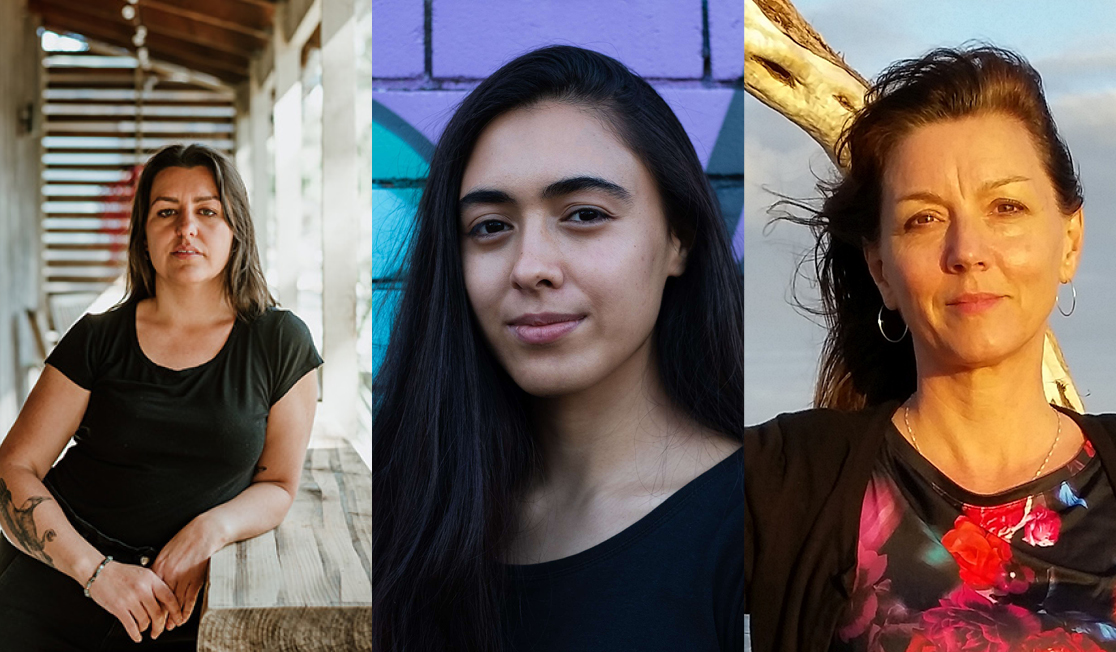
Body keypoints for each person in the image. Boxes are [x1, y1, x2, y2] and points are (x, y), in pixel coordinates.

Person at [371, 46, 746, 651]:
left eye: (584, 214)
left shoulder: (754, 525)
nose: (530, 268)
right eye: (491, 226)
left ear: (678, 240)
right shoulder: (405, 508)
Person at [744, 46, 1116, 651]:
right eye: (924, 219)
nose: (968, 250)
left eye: (1006, 207)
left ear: (1069, 241)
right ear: (881, 270)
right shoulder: (779, 482)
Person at [0, 144, 322, 650]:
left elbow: (278, 484)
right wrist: (97, 573)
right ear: (144, 234)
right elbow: (14, 467)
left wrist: (210, 529)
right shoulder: (96, 338)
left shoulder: (280, 341)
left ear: (236, 229)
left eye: (207, 211)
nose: (186, 228)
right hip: (59, 580)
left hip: (181, 600)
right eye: (166, 212)